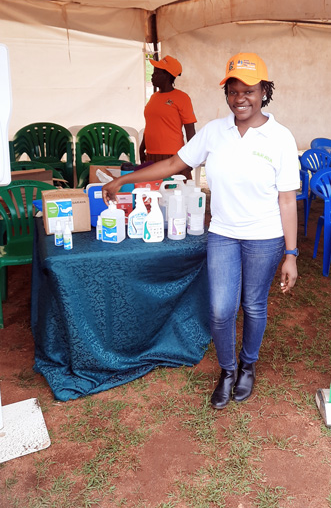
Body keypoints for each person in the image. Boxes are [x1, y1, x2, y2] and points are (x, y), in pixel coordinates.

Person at [103, 52, 300, 409]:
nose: (240, 98)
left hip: (265, 237)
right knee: (222, 308)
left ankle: (248, 366)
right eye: (233, 90)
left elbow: (287, 200)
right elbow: (175, 162)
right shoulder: (214, 132)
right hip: (223, 232)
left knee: (253, 305)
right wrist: (127, 178)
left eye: (249, 91)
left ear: (264, 92)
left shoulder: (281, 138)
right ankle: (227, 370)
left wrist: (291, 253)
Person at [141, 55, 197, 178]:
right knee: (153, 192)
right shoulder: (153, 97)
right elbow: (151, 125)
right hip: (151, 154)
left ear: (167, 75)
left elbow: (190, 130)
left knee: (174, 192)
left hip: (173, 156)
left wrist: (191, 157)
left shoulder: (182, 98)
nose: (152, 75)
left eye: (156, 73)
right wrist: (142, 147)